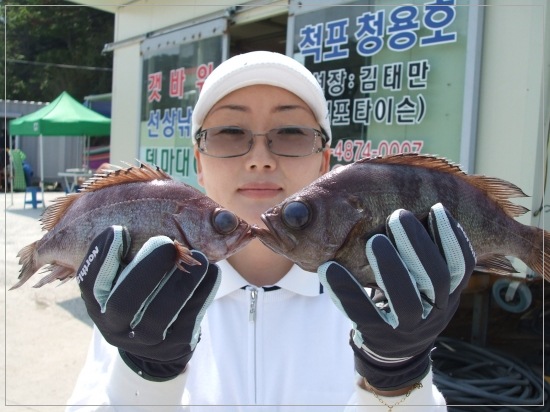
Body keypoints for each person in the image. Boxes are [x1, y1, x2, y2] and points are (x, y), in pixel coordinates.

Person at [67, 51, 475, 411]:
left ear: (324, 163)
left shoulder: (385, 299)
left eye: (291, 133)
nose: (260, 158)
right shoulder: (142, 295)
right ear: (198, 163)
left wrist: (396, 376)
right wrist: (143, 376)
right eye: (230, 133)